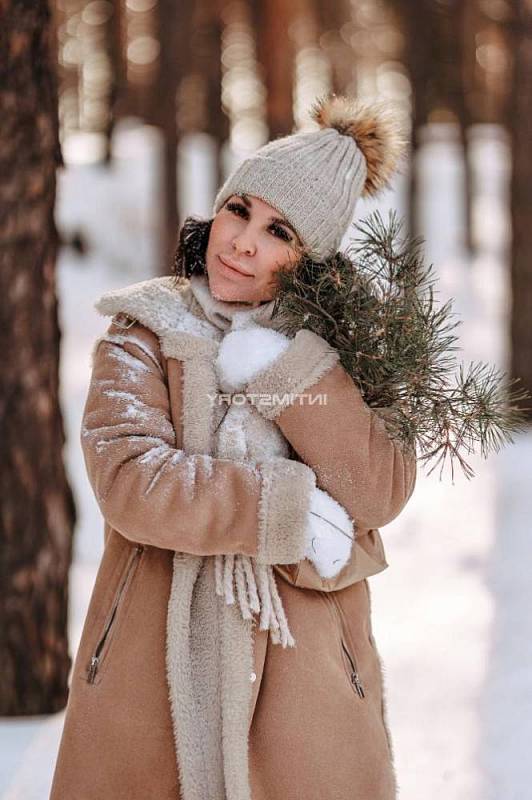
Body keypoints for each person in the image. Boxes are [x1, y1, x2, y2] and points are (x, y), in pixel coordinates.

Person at [49, 94, 417, 800]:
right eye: (238, 210)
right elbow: (132, 480)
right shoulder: (142, 330)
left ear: (312, 262)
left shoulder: (342, 354)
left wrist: (289, 369)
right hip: (150, 670)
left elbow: (378, 491)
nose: (243, 241)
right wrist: (281, 509)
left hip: (304, 684)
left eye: (279, 231)